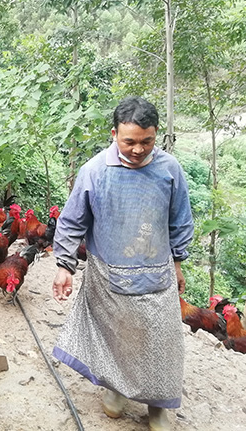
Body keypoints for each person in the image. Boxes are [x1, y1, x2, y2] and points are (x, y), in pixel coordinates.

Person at [51, 96, 193, 431]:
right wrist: (64, 266)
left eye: (147, 141)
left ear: (156, 136)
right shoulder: (94, 171)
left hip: (156, 271)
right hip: (108, 274)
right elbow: (72, 222)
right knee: (117, 336)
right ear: (114, 134)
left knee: (162, 340)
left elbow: (180, 220)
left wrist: (178, 262)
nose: (139, 149)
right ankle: (116, 390)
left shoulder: (169, 170)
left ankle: (157, 405)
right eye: (129, 141)